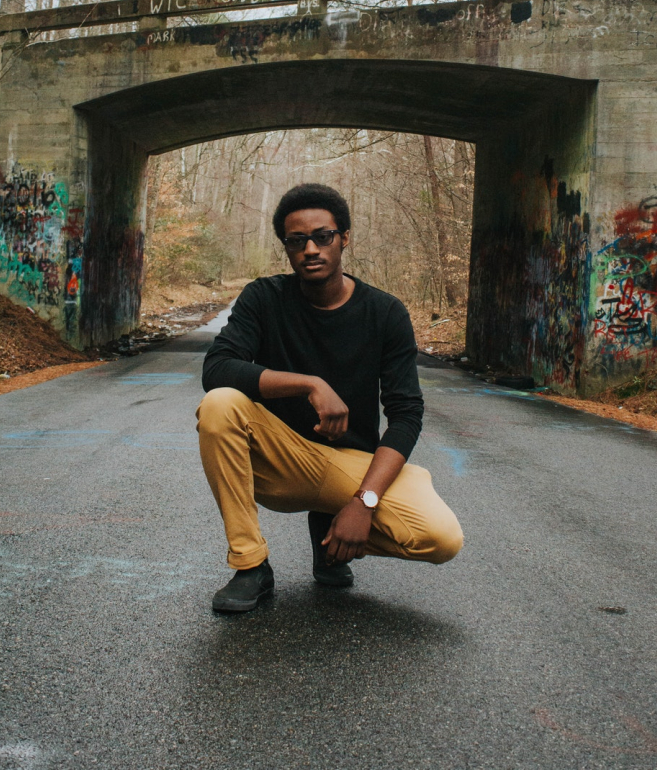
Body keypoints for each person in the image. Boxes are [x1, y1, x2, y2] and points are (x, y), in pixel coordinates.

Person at [197, 182, 463, 612]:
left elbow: (406, 413)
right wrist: (309, 384)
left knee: (442, 538)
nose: (311, 249)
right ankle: (251, 566)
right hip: (280, 460)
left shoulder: (385, 312)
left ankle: (331, 531)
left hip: (349, 468)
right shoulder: (263, 298)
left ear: (344, 239)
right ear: (286, 247)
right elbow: (217, 369)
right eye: (296, 240)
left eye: (323, 236)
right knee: (220, 403)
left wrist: (364, 503)